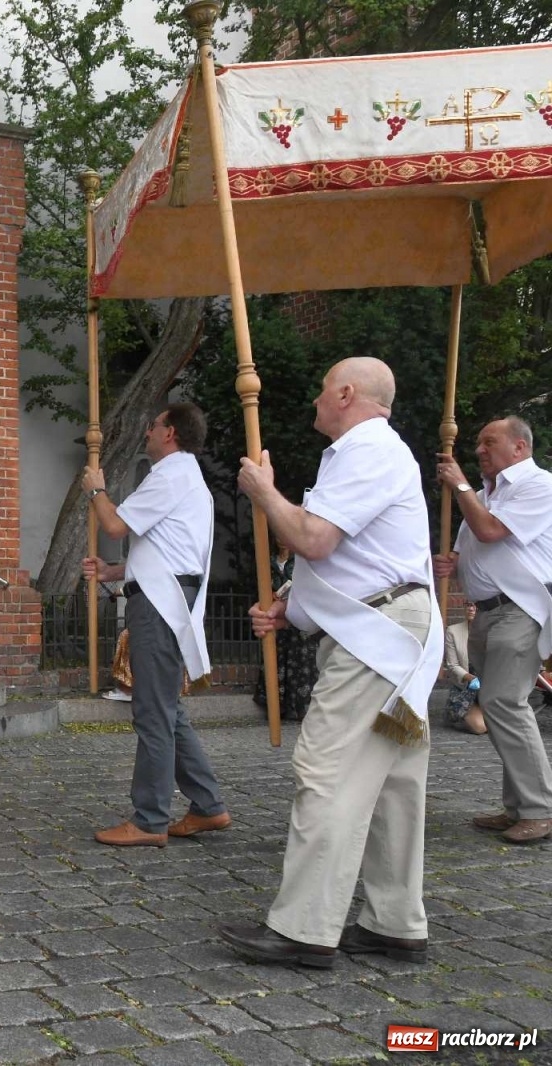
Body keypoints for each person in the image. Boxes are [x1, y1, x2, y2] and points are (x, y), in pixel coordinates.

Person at [222, 357, 441, 969]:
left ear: (347, 393)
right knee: (394, 781)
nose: (315, 401)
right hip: (392, 639)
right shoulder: (366, 453)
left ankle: (304, 929)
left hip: (377, 644)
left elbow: (315, 539)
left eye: (322, 391)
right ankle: (396, 922)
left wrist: (265, 494)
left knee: (328, 773)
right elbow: (353, 560)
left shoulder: (369, 448)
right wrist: (292, 608)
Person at [80, 403, 228, 848]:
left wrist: (95, 490)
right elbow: (165, 550)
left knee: (153, 712)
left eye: (155, 424)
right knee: (168, 710)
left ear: (171, 434)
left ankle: (149, 818)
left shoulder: (170, 474)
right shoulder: (187, 478)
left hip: (160, 607)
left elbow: (114, 523)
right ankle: (206, 805)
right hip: (166, 595)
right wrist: (113, 573)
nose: (149, 430)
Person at [433, 417, 552, 843]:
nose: (480, 449)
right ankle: (519, 805)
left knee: (505, 702)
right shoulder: (485, 496)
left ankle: (540, 809)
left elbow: (490, 530)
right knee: (501, 707)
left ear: (520, 447)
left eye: (490, 442)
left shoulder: (539, 485)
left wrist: (460, 485)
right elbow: (474, 550)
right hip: (486, 612)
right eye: (478, 442)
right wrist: (453, 562)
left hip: (519, 611)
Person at [252, 543, 318, 722]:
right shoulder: (270, 561)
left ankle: (302, 705)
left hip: (298, 611)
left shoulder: (299, 561)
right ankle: (277, 705)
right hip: (278, 610)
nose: (281, 540)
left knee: (301, 660)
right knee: (277, 657)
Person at [442, 604, 488, 735]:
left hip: (490, 689)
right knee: (480, 728)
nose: (471, 608)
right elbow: (452, 665)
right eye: (468, 605)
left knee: (503, 726)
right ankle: (457, 715)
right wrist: (471, 678)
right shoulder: (453, 631)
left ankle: (484, 713)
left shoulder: (493, 631)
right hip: (466, 690)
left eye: (476, 605)